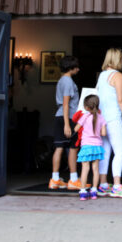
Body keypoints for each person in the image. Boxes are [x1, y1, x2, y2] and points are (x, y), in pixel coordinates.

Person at [95, 48, 122, 198]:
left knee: (105, 151)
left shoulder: (102, 76)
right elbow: (121, 99)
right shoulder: (118, 76)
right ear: (118, 59)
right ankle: (117, 185)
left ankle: (103, 184)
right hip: (114, 118)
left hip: (101, 119)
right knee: (121, 151)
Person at [49, 55, 82, 190]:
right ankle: (73, 180)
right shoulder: (68, 81)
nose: (78, 69)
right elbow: (66, 103)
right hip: (67, 118)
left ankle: (55, 179)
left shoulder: (61, 80)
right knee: (73, 148)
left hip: (60, 116)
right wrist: (67, 124)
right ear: (71, 67)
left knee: (59, 147)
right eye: (77, 67)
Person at [74, 94, 106, 201]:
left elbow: (76, 128)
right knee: (96, 169)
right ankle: (94, 191)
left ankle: (83, 192)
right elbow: (104, 133)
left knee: (85, 169)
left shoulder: (85, 116)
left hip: (86, 146)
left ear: (87, 107)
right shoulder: (101, 118)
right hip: (97, 146)